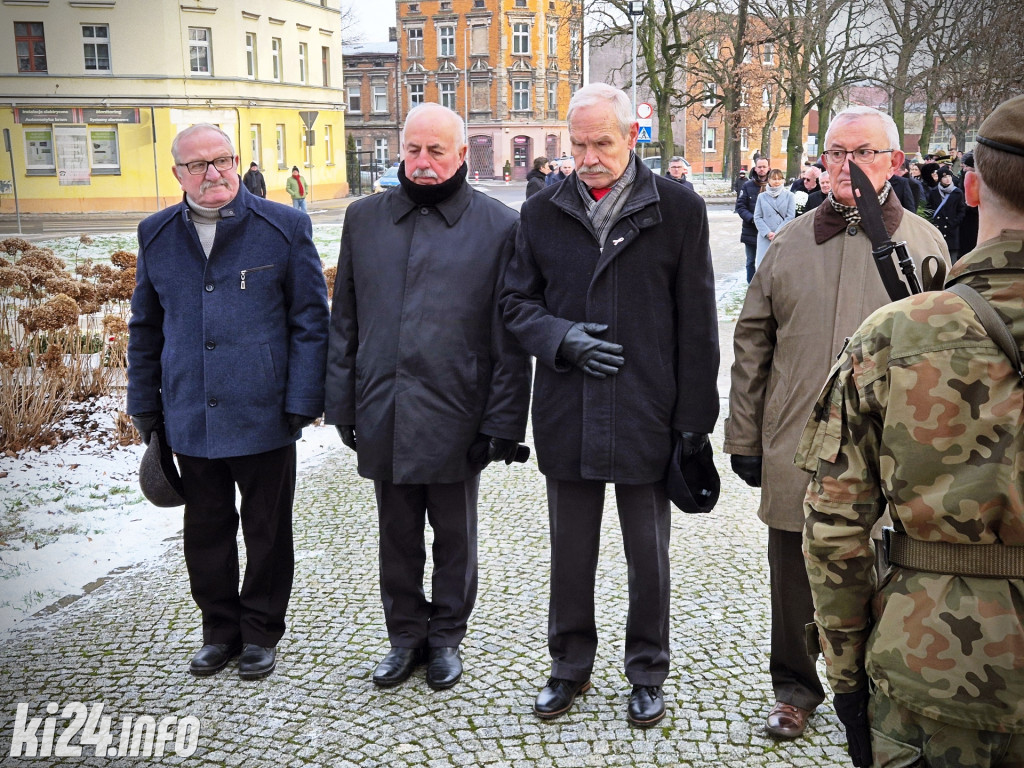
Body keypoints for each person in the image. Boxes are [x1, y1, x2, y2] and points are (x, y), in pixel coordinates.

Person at [800, 94, 1024, 768]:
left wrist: (845, 682)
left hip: (932, 675)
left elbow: (835, 531)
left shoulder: (896, 336)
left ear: (974, 185)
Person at [724, 105, 949, 742]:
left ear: (895, 163)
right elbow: (752, 344)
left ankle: (880, 688)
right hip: (796, 444)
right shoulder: (790, 242)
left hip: (890, 450)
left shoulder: (926, 247)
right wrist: (743, 438)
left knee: (884, 568)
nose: (848, 165)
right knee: (792, 570)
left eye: (865, 152)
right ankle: (794, 689)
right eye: (835, 153)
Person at [501, 82, 719, 728]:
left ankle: (648, 668)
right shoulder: (542, 212)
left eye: (602, 142)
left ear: (632, 138)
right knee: (571, 552)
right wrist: (561, 339)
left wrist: (693, 424)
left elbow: (698, 324)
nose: (589, 156)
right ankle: (568, 665)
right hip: (569, 408)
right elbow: (515, 305)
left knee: (647, 555)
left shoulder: (676, 209)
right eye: (578, 143)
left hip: (646, 411)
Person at [324, 103, 531, 692]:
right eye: (413, 149)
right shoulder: (364, 219)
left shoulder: (497, 226)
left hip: (457, 409)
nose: (422, 162)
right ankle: (404, 636)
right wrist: (341, 403)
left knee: (454, 533)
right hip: (383, 402)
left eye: (436, 151)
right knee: (396, 532)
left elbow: (509, 338)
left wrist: (503, 421)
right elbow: (347, 319)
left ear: (462, 154)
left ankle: (445, 638)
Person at [127, 124, 329, 681]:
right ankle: (219, 630)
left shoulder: (283, 226)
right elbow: (145, 326)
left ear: (236, 161)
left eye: (222, 160)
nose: (213, 173)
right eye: (197, 165)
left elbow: (311, 320)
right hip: (191, 411)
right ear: (177, 174)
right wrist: (145, 405)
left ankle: (262, 631)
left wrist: (303, 399)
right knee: (206, 530)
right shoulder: (157, 234)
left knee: (267, 529)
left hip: (265, 411)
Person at [735, 156, 771, 282]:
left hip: (769, 231)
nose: (761, 169)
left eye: (764, 167)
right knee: (751, 261)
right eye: (759, 167)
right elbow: (740, 206)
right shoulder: (747, 186)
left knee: (768, 261)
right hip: (751, 230)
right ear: (755, 168)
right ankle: (751, 286)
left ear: (768, 168)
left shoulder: (773, 185)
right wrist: (753, 219)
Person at [753, 169, 796, 270]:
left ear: (783, 180)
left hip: (783, 235)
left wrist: (777, 232)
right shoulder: (761, 196)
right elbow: (757, 217)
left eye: (779, 179)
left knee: (781, 267)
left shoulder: (789, 196)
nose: (777, 181)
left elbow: (790, 216)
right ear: (769, 180)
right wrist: (768, 233)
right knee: (763, 267)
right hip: (765, 237)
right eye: (774, 179)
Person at [929, 166, 967, 262]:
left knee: (952, 259)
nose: (947, 179)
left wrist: (953, 223)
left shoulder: (957, 192)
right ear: (940, 179)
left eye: (949, 176)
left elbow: (961, 210)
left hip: (952, 230)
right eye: (944, 177)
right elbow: (929, 209)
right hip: (938, 229)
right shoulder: (934, 192)